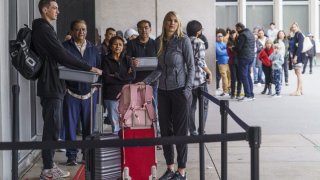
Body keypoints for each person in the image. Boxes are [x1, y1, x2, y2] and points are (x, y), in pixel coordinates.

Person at [31, 0, 102, 179]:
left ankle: (49, 165)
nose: (58, 11)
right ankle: (47, 169)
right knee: (52, 128)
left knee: (54, 127)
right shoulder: (43, 28)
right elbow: (62, 55)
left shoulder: (46, 29)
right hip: (50, 84)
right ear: (44, 9)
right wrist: (88, 67)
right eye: (54, 8)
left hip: (54, 84)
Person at [138, 11, 194, 180]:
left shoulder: (184, 40)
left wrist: (187, 90)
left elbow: (191, 67)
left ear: (178, 23)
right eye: (169, 20)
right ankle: (170, 168)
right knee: (166, 133)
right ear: (164, 22)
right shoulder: (159, 42)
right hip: (162, 92)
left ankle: (182, 171)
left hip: (180, 91)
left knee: (180, 133)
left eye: (175, 20)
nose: (172, 23)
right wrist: (145, 82)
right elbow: (159, 69)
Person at [62, 19, 101, 166]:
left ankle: (87, 155)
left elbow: (99, 67)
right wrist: (63, 86)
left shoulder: (93, 48)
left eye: (83, 29)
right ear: (72, 31)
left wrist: (97, 86)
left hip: (90, 93)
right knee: (70, 127)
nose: (81, 32)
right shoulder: (64, 47)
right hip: (70, 93)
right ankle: (71, 156)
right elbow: (60, 66)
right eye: (78, 29)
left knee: (89, 127)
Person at [126, 20, 161, 141]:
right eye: (141, 28)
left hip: (152, 82)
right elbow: (126, 59)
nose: (144, 30)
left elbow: (160, 62)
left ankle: (156, 136)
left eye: (146, 28)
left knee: (153, 109)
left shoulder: (155, 43)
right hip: (136, 81)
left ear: (150, 29)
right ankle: (139, 135)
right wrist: (131, 61)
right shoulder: (131, 44)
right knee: (136, 109)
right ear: (137, 29)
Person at [102, 36, 135, 134]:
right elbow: (106, 78)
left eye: (120, 44)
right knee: (115, 124)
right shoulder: (106, 59)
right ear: (111, 46)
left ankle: (126, 146)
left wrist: (115, 75)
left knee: (127, 122)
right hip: (111, 95)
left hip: (126, 94)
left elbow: (132, 76)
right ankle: (117, 146)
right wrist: (124, 77)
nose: (118, 46)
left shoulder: (128, 60)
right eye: (115, 44)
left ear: (123, 46)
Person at [186, 20, 212, 136]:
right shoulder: (199, 42)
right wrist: (209, 72)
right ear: (198, 31)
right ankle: (201, 130)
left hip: (188, 79)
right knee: (204, 105)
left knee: (191, 107)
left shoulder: (184, 41)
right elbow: (200, 60)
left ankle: (192, 131)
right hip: (200, 79)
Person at [232, 22, 255, 101]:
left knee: (244, 76)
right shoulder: (250, 34)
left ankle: (247, 95)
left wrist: (233, 48)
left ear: (239, 28)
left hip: (244, 57)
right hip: (251, 57)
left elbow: (238, 48)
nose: (236, 30)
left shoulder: (242, 35)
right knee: (248, 75)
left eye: (236, 29)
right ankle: (251, 94)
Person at [289, 22, 304, 96]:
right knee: (297, 73)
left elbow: (300, 47)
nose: (293, 28)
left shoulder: (299, 34)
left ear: (297, 27)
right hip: (294, 56)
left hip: (298, 56)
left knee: (298, 73)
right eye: (292, 27)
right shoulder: (294, 35)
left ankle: (298, 91)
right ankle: (301, 90)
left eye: (295, 27)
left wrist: (296, 57)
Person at [227, 30, 242, 99]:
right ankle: (232, 93)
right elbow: (229, 53)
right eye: (231, 34)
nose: (233, 35)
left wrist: (233, 49)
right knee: (233, 78)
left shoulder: (239, 41)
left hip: (239, 61)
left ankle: (238, 93)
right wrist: (234, 50)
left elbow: (239, 51)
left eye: (234, 33)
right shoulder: (229, 42)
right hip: (232, 61)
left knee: (239, 78)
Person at [216, 29, 230, 97]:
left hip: (228, 62)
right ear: (216, 37)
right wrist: (226, 51)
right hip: (221, 62)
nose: (220, 37)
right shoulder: (216, 44)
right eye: (218, 36)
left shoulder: (224, 44)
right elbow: (219, 52)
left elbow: (229, 52)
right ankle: (225, 91)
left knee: (229, 77)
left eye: (221, 36)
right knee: (224, 77)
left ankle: (229, 90)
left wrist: (225, 51)